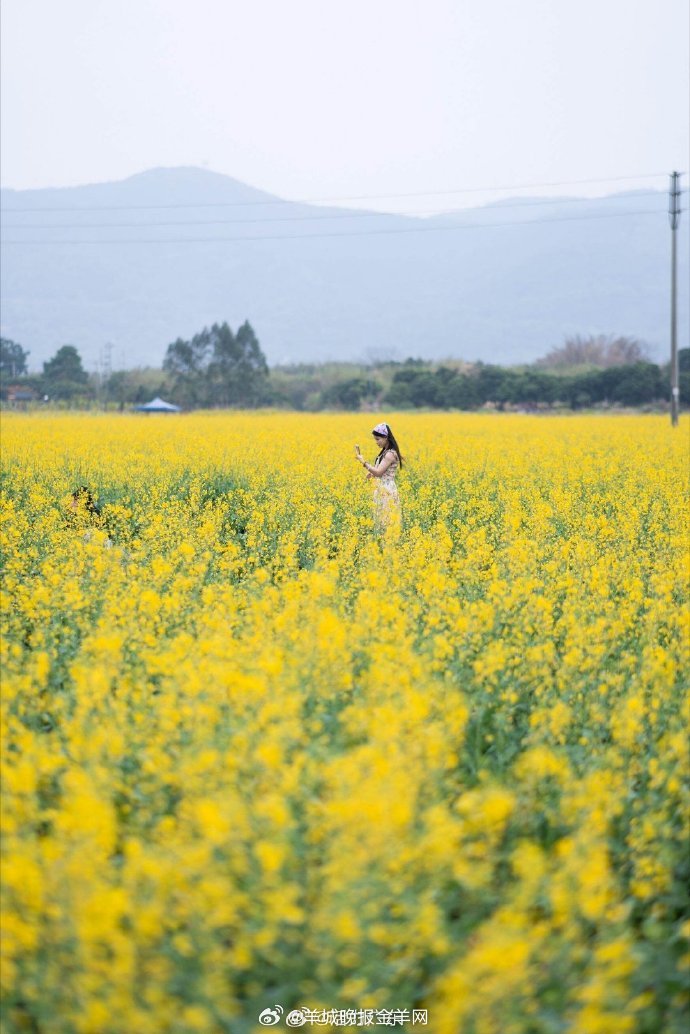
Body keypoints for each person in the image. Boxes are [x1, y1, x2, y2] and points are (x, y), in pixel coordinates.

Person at [354, 421, 403, 536]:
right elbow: (378, 470)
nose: (376, 442)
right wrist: (371, 474)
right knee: (381, 518)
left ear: (386, 437)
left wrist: (363, 461)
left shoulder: (390, 454)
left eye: (378, 439)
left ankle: (389, 545)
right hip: (381, 488)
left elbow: (379, 472)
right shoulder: (384, 452)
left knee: (387, 520)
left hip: (386, 490)